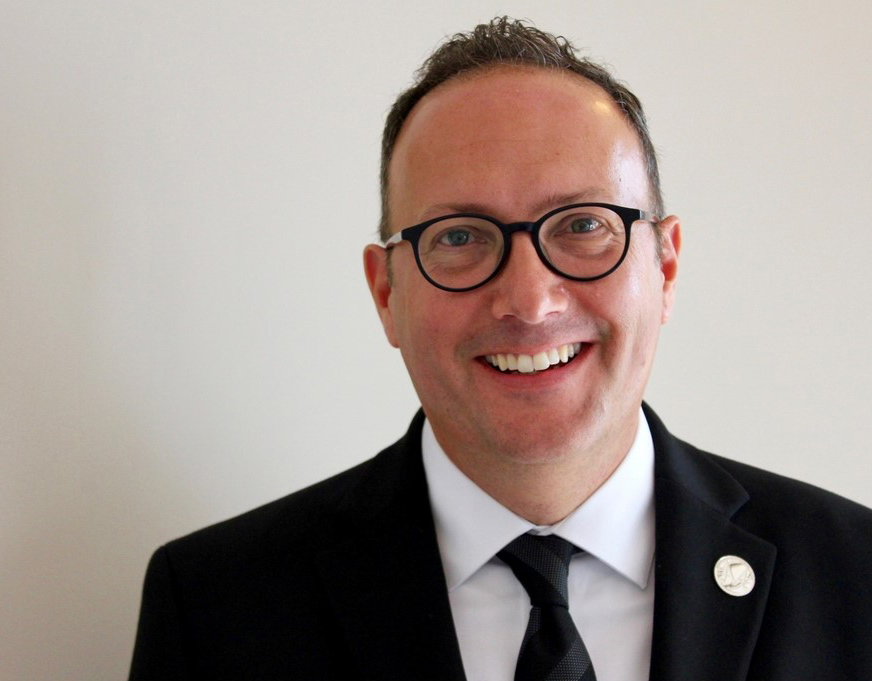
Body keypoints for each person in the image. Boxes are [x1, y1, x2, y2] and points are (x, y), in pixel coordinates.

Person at [128, 17, 872, 681]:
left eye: (583, 226)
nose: (530, 301)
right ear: (387, 291)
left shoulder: (855, 576)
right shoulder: (216, 610)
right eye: (458, 237)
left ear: (665, 267)